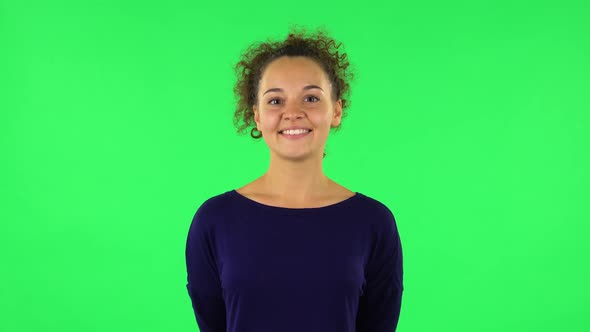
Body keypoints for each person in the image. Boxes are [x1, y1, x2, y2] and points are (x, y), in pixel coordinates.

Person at [185, 26, 404, 332]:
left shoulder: (374, 222)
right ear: (257, 116)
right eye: (275, 101)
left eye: (311, 98)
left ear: (337, 111)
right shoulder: (214, 221)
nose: (293, 112)